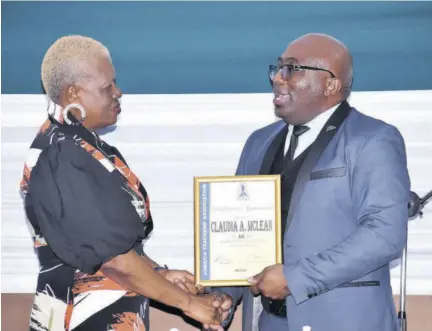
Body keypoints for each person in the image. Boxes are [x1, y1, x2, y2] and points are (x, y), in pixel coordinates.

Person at [207, 33, 411, 331]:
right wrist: (226, 293)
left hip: (346, 322)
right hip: (269, 322)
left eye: (292, 69)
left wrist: (295, 279)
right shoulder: (258, 142)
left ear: (331, 83)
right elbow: (242, 232)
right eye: (277, 68)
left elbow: (385, 235)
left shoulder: (373, 139)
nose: (277, 78)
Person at [20, 35, 224, 331]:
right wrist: (190, 304)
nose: (118, 92)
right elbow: (113, 261)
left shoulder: (86, 148)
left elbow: (115, 247)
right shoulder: (61, 154)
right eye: (107, 87)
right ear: (73, 92)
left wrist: (159, 274)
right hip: (80, 319)